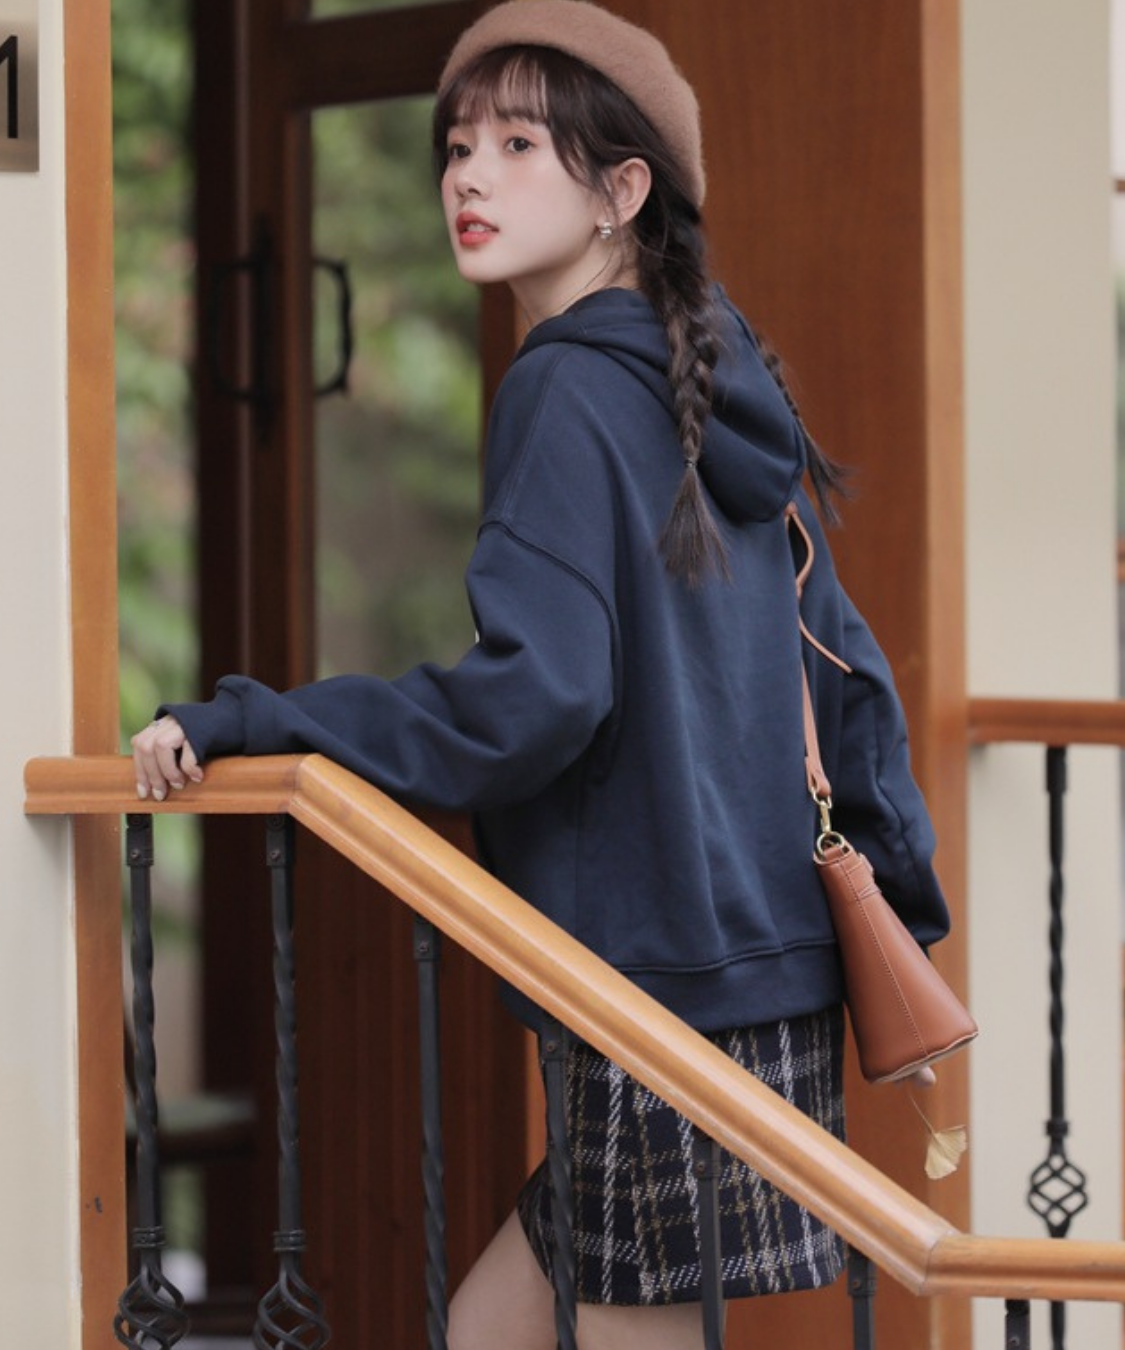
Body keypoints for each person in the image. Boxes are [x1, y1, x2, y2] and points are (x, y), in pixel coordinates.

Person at [132, 3, 950, 1346]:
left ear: (623, 191)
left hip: (652, 992)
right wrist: (896, 913)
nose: (470, 175)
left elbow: (538, 698)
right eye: (459, 145)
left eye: (520, 144)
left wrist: (260, 718)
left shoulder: (566, 389)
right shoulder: (712, 387)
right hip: (751, 984)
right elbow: (847, 672)